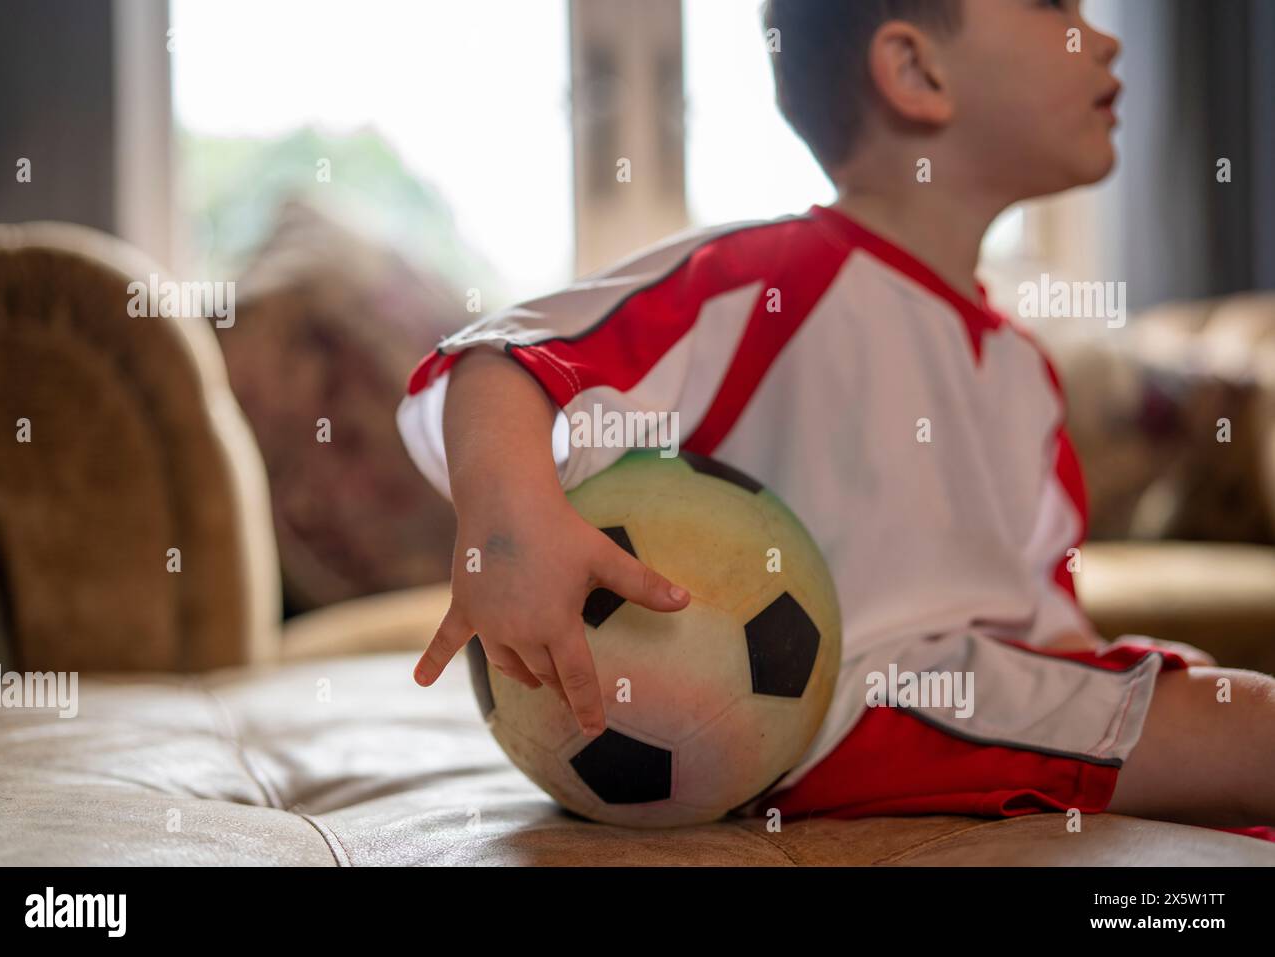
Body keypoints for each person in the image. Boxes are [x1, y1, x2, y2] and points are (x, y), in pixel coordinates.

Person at [397, 0, 1275, 838]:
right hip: (838, 712)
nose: (1107, 40)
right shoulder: (771, 275)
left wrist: (1113, 665)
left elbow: (1039, 615)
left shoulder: (1025, 370)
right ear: (913, 68)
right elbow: (503, 357)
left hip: (968, 703)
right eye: (1055, 7)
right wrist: (508, 532)